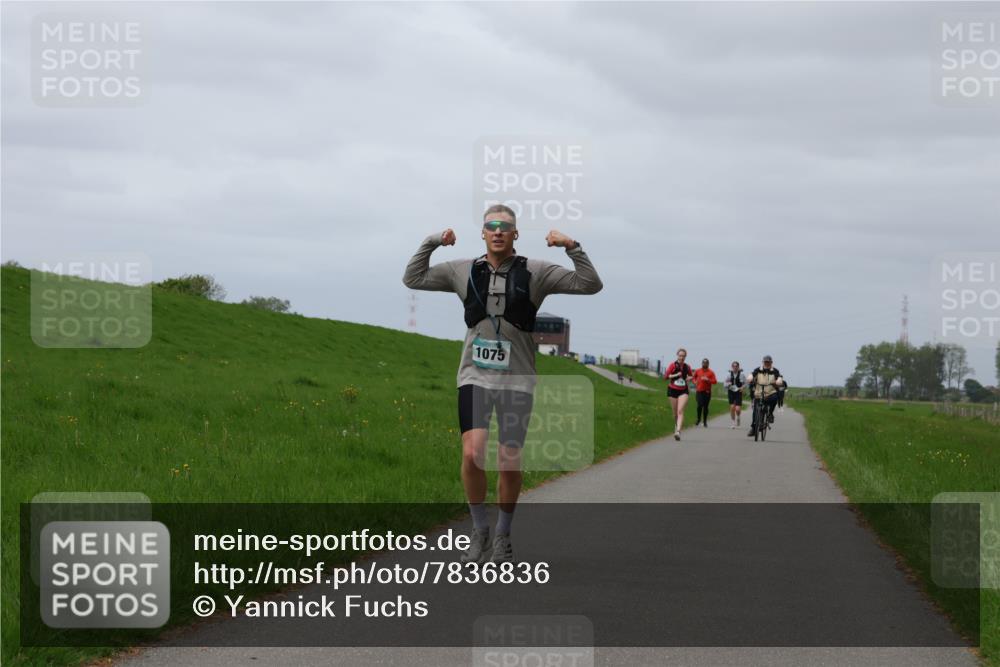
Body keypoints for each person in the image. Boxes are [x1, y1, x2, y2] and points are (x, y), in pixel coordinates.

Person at [403, 204, 602, 564]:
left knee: (509, 460)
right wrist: (433, 241)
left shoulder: (536, 271)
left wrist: (572, 245)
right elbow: (413, 278)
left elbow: (590, 284)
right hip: (474, 376)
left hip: (517, 380)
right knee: (472, 452)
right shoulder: (462, 270)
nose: (498, 231)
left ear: (515, 234)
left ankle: (502, 536)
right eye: (491, 226)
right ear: (482, 233)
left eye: (505, 227)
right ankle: (479, 531)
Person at [747, 355, 785, 437]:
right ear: (763, 362)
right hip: (759, 393)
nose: (767, 363)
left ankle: (770, 413)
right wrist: (750, 378)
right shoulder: (758, 369)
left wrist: (778, 381)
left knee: (774, 398)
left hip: (770, 392)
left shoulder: (775, 370)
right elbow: (752, 374)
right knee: (755, 411)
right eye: (765, 362)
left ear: (771, 362)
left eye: (768, 362)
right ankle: (754, 428)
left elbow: (779, 377)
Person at [664, 348, 693, 440]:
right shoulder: (672, 365)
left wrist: (690, 378)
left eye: (683, 356)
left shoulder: (687, 367)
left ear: (685, 357)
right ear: (677, 355)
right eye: (680, 355)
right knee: (675, 413)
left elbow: (691, 375)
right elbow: (665, 377)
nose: (682, 357)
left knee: (680, 411)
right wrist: (675, 375)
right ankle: (676, 426)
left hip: (683, 390)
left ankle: (678, 431)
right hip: (673, 390)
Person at [691, 358, 717, 427]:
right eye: (703, 363)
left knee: (705, 407)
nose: (704, 364)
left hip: (707, 392)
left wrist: (708, 379)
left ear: (708, 364)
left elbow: (715, 381)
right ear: (702, 363)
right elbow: (693, 378)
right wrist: (694, 382)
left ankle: (705, 421)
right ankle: (698, 419)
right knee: (699, 405)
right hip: (699, 391)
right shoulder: (698, 371)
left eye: (706, 363)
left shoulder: (711, 372)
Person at [725, 361, 746, 429]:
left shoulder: (742, 375)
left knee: (737, 409)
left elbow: (746, 383)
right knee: (732, 407)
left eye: (736, 366)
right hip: (731, 391)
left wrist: (742, 388)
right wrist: (728, 384)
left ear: (738, 367)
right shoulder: (729, 375)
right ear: (732, 367)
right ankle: (733, 423)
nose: (735, 367)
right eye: (733, 366)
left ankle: (738, 417)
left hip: (738, 392)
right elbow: (725, 384)